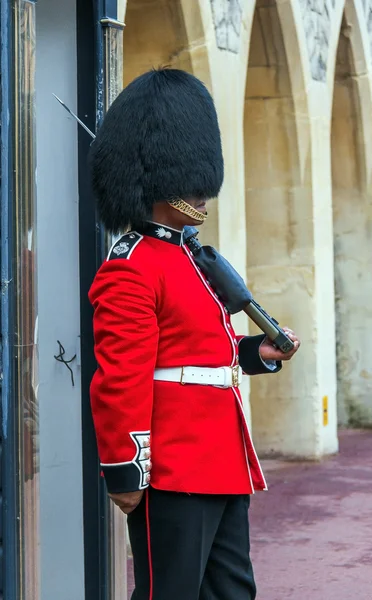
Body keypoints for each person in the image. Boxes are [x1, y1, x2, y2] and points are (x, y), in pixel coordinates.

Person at [88, 67, 300, 600]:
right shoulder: (131, 265)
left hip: (223, 454)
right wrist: (126, 470)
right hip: (174, 460)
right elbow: (123, 375)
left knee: (232, 592)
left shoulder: (191, 258)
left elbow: (204, 350)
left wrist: (258, 352)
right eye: (193, 183)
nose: (203, 196)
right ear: (161, 179)